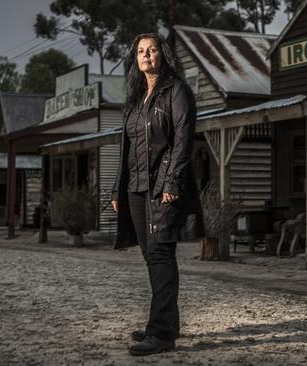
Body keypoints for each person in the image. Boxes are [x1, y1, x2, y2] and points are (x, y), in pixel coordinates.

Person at [111, 33, 205, 356]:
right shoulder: (136, 98)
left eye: (151, 50)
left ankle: (161, 332)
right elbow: (125, 146)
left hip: (162, 188)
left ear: (162, 55)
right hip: (135, 189)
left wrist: (171, 183)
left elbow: (182, 142)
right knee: (152, 256)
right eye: (140, 51)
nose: (146, 55)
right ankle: (167, 323)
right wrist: (116, 188)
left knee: (162, 254)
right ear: (135, 59)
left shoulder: (176, 91)